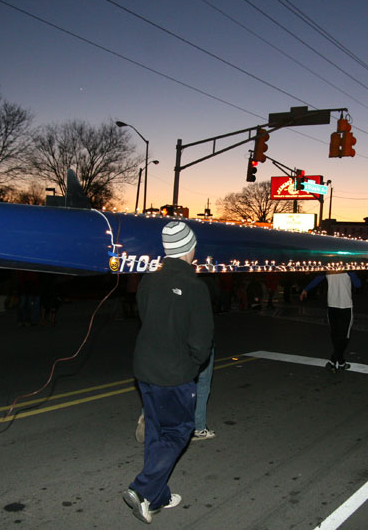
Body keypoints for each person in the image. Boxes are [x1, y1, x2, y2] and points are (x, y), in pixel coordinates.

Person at [124, 221, 214, 524]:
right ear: (189, 249)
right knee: (178, 431)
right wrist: (192, 364)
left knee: (156, 432)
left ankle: (158, 496)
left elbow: (147, 318)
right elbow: (202, 342)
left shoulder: (149, 281)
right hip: (174, 373)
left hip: (145, 368)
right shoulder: (195, 287)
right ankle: (143, 488)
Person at [299, 269, 362, 372]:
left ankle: (335, 360)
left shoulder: (338, 269)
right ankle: (338, 361)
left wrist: (306, 289)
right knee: (339, 336)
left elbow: (358, 284)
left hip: (340, 306)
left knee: (341, 336)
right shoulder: (332, 269)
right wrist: (306, 289)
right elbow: (358, 284)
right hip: (338, 306)